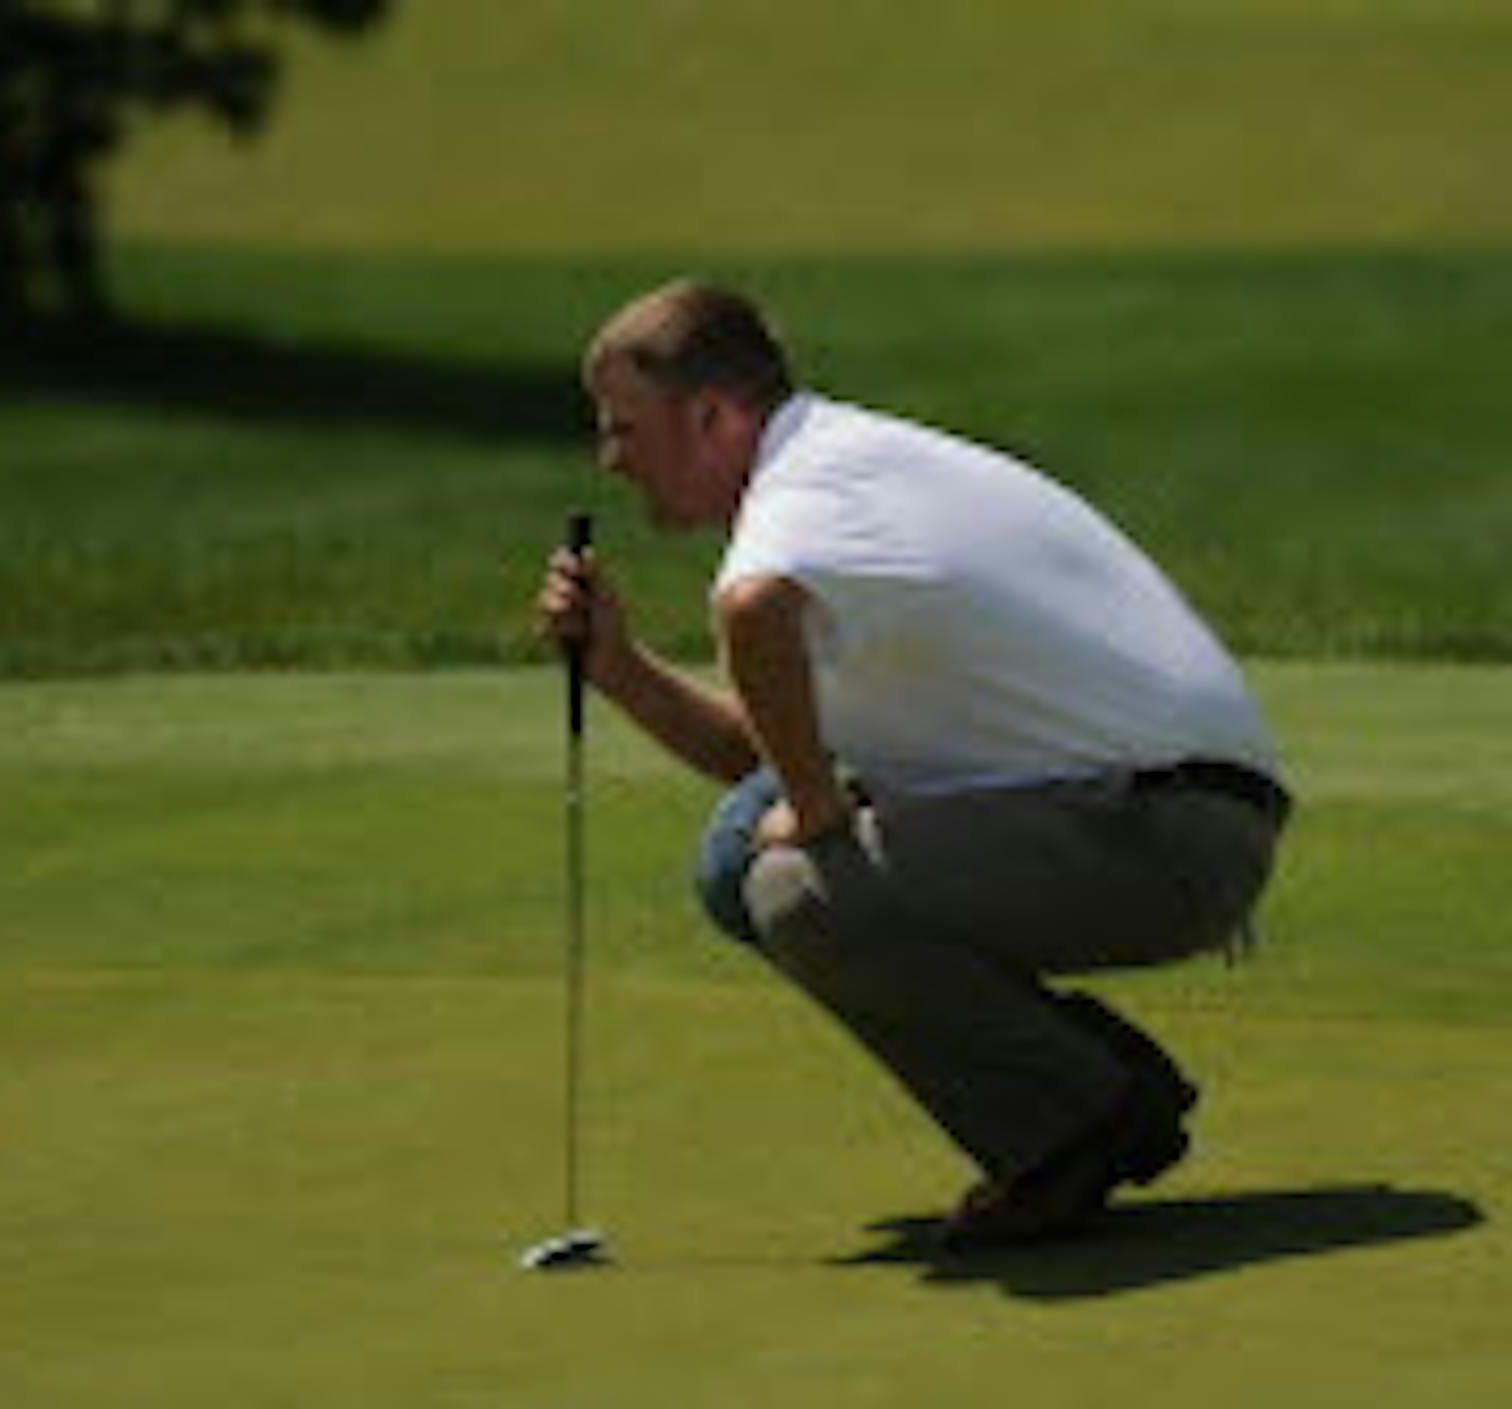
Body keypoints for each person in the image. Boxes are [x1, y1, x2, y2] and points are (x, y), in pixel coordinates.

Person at [537, 279, 1290, 1248]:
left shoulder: (805, 494)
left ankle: (1072, 1127)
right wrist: (618, 666)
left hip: (1170, 831)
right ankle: (1098, 1081)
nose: (611, 458)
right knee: (742, 855)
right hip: (1133, 804)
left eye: (624, 427)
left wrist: (814, 810)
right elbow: (759, 754)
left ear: (713, 416)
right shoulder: (833, 469)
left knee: (799, 889)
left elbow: (750, 609)